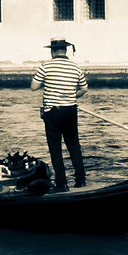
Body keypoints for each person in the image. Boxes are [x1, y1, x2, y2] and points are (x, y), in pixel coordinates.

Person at [36, 38, 88, 190]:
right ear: (65, 51)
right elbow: (84, 88)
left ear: (52, 51)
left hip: (52, 112)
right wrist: (71, 95)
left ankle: (62, 183)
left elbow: (34, 86)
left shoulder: (45, 66)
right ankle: (80, 180)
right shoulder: (75, 67)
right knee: (74, 146)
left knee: (55, 148)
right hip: (70, 110)